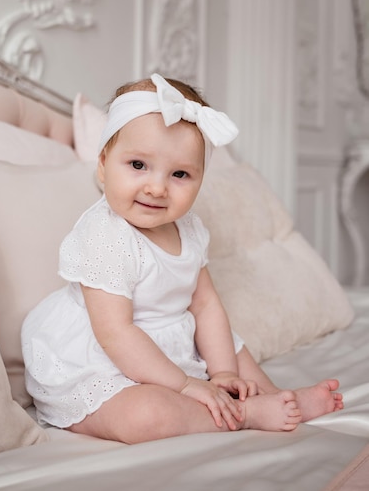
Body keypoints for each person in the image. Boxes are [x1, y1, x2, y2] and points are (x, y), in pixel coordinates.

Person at [21, 73, 343, 444]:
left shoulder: (188, 229)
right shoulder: (105, 235)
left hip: (168, 341)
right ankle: (244, 415)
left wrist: (222, 373)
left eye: (179, 174)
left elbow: (205, 306)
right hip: (104, 358)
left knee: (234, 349)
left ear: (200, 180)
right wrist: (187, 384)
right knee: (145, 416)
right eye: (138, 165)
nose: (157, 187)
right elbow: (116, 333)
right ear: (103, 164)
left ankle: (273, 398)